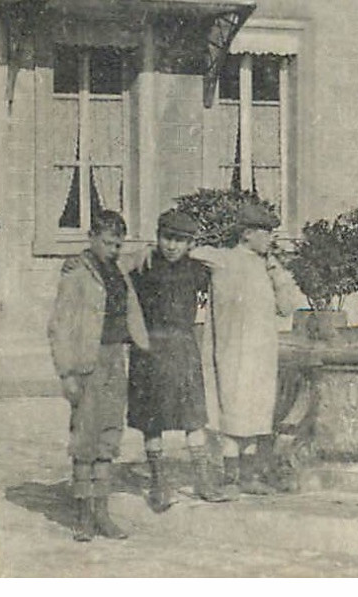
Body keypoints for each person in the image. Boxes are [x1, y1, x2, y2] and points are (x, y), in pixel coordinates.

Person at [47, 209, 149, 542]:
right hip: (86, 362)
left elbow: (144, 255)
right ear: (91, 238)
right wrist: (67, 373)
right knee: (84, 439)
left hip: (114, 358)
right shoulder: (76, 275)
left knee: (109, 435)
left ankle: (103, 513)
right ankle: (83, 515)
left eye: (118, 244)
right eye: (107, 243)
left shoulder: (119, 269)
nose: (114, 250)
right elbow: (59, 327)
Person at [192, 201, 302, 495]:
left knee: (256, 411)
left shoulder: (267, 267)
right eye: (264, 232)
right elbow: (191, 252)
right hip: (231, 352)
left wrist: (275, 267)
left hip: (261, 353)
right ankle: (230, 477)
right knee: (233, 412)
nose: (270, 238)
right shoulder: (224, 260)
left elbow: (287, 306)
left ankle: (249, 477)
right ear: (246, 234)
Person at [126, 209, 231, 512]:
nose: (171, 246)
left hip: (184, 348)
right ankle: (158, 483)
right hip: (148, 348)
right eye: (166, 238)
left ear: (189, 243)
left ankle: (202, 481)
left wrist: (195, 249)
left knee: (193, 417)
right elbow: (119, 270)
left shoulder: (197, 270)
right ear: (157, 236)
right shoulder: (143, 267)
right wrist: (143, 250)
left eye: (179, 240)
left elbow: (221, 263)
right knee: (151, 420)